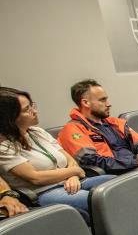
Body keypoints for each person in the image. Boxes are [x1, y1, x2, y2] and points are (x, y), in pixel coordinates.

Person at [0, 88, 114, 223]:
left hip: (72, 182)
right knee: (105, 199)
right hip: (45, 191)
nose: (34, 111)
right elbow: (36, 178)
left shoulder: (38, 132)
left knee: (117, 184)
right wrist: (75, 171)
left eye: (32, 106)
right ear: (10, 118)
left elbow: (69, 160)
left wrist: (73, 175)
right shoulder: (4, 147)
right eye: (26, 110)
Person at [58, 79, 138, 174]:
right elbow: (92, 161)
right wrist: (135, 162)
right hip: (114, 175)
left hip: (137, 168)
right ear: (85, 103)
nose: (108, 104)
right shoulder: (72, 129)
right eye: (102, 100)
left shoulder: (115, 122)